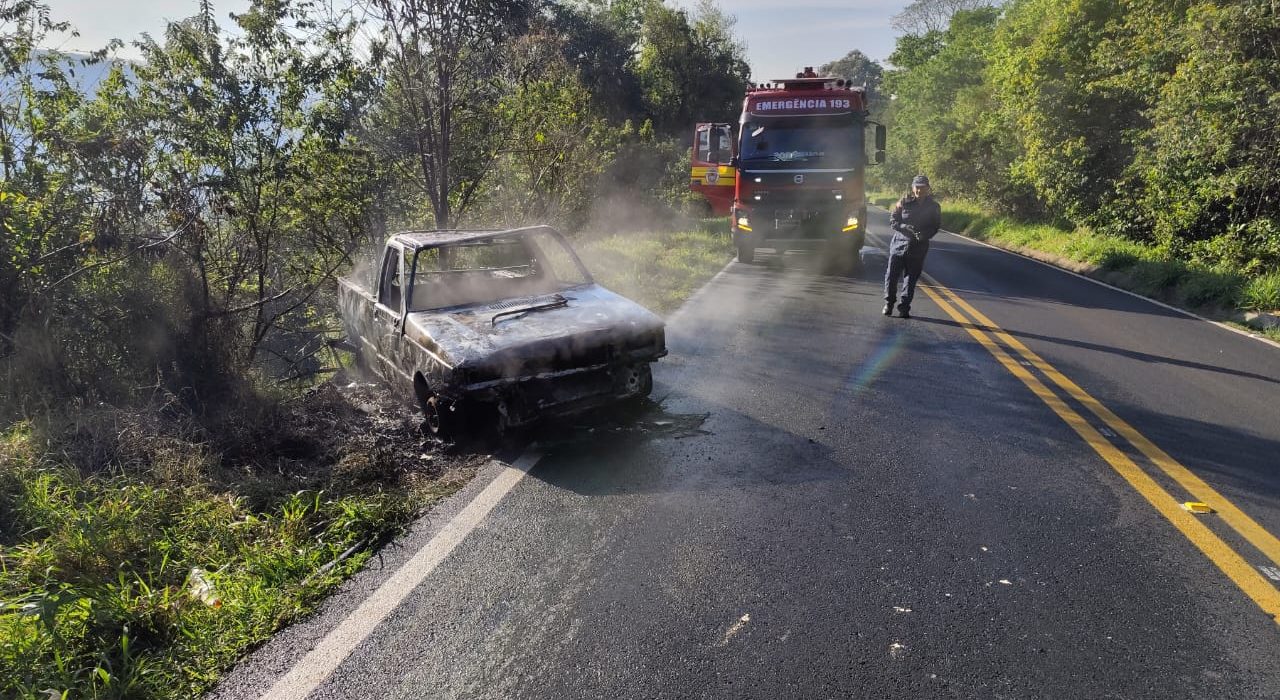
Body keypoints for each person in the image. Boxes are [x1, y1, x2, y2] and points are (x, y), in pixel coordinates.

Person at [884, 175, 942, 319]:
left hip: (918, 248)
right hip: (899, 245)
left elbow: (935, 227)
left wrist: (924, 235)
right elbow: (893, 220)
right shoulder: (904, 201)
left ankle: (904, 307)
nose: (919, 190)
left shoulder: (934, 207)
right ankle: (889, 303)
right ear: (912, 187)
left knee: (911, 279)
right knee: (892, 277)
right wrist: (903, 226)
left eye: (922, 187)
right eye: (917, 187)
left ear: (928, 188)